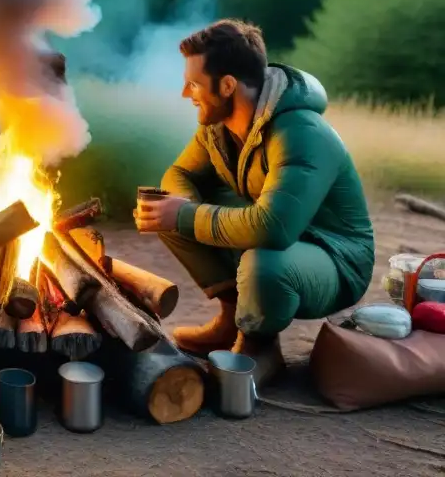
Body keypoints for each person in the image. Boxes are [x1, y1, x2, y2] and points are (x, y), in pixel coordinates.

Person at [135, 20, 375, 387]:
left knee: (263, 262)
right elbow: (180, 173)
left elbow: (273, 228)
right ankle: (232, 317)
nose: (186, 93)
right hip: (281, 240)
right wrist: (177, 209)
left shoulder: (301, 133)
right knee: (169, 209)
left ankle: (259, 346)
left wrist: (185, 214)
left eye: (194, 83)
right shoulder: (218, 127)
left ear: (228, 85)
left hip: (335, 258)